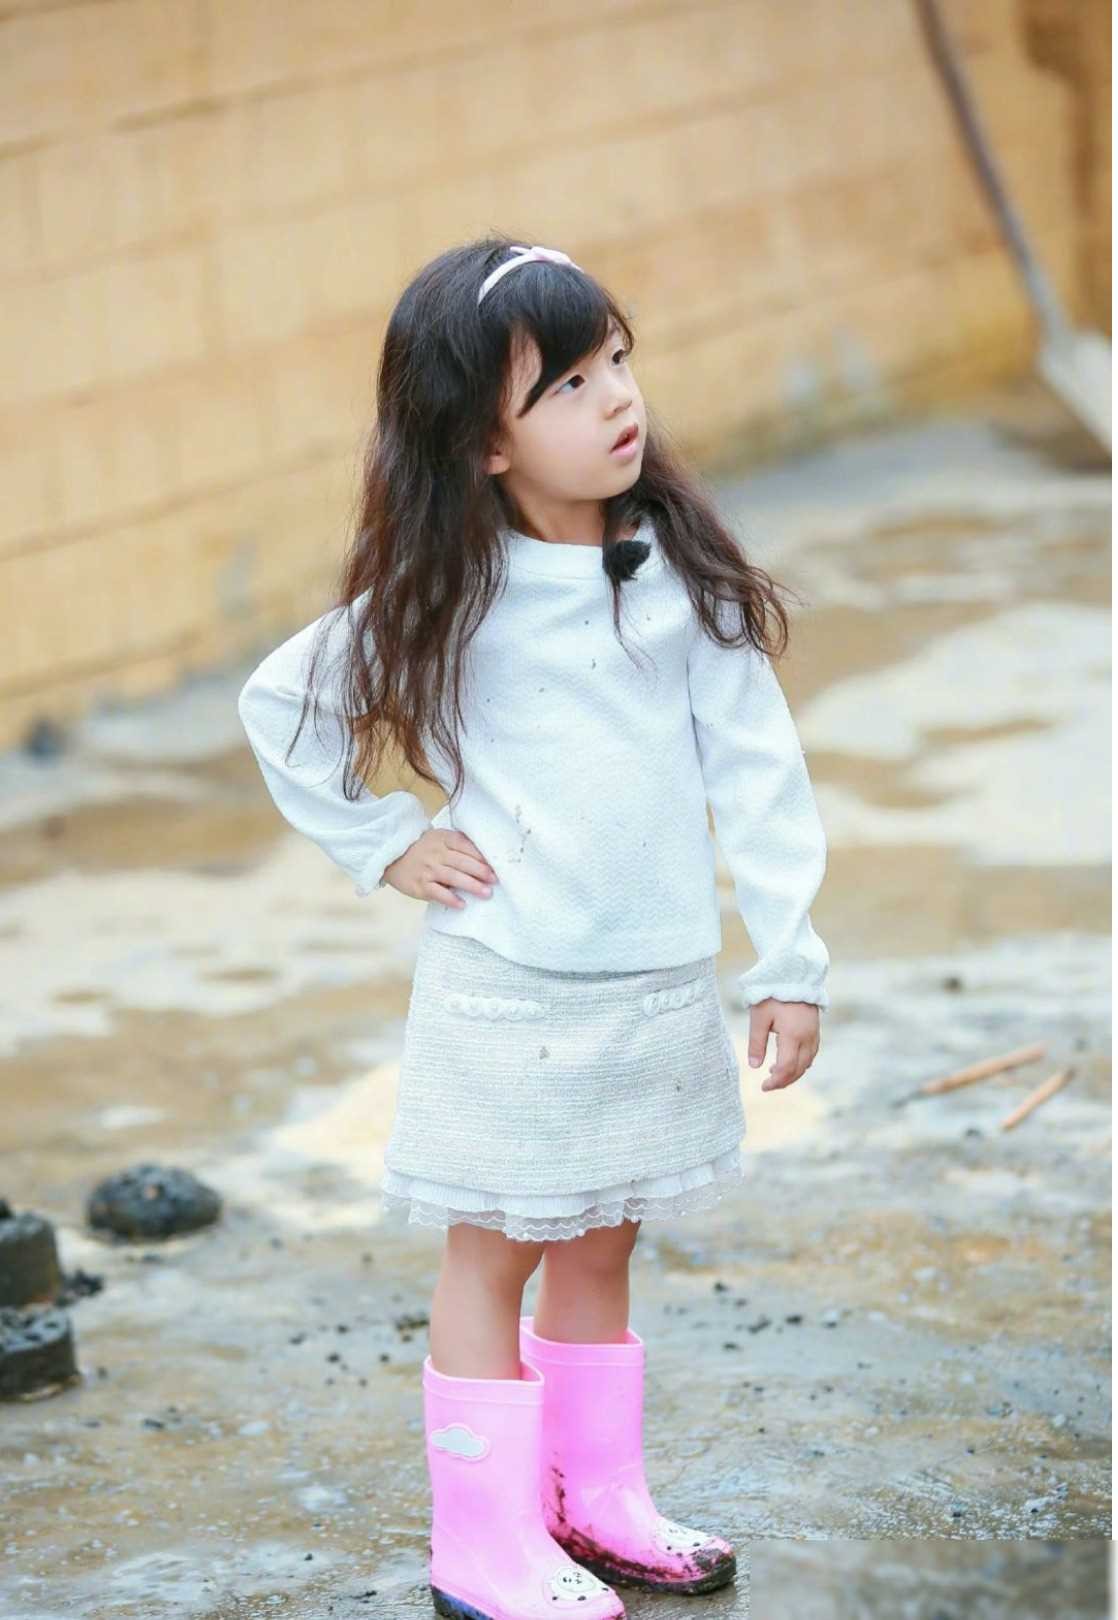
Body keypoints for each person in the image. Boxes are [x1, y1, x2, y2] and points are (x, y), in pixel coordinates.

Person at [237, 235, 831, 1620]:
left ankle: (593, 1497)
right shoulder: (453, 595)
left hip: (651, 981)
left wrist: (789, 959)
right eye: (565, 384)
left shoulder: (680, 578)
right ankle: (483, 1539)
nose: (615, 396)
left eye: (616, 359)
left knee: (605, 1236)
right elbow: (284, 707)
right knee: (491, 1250)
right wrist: (385, 842)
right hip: (509, 991)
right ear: (483, 444)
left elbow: (760, 773)